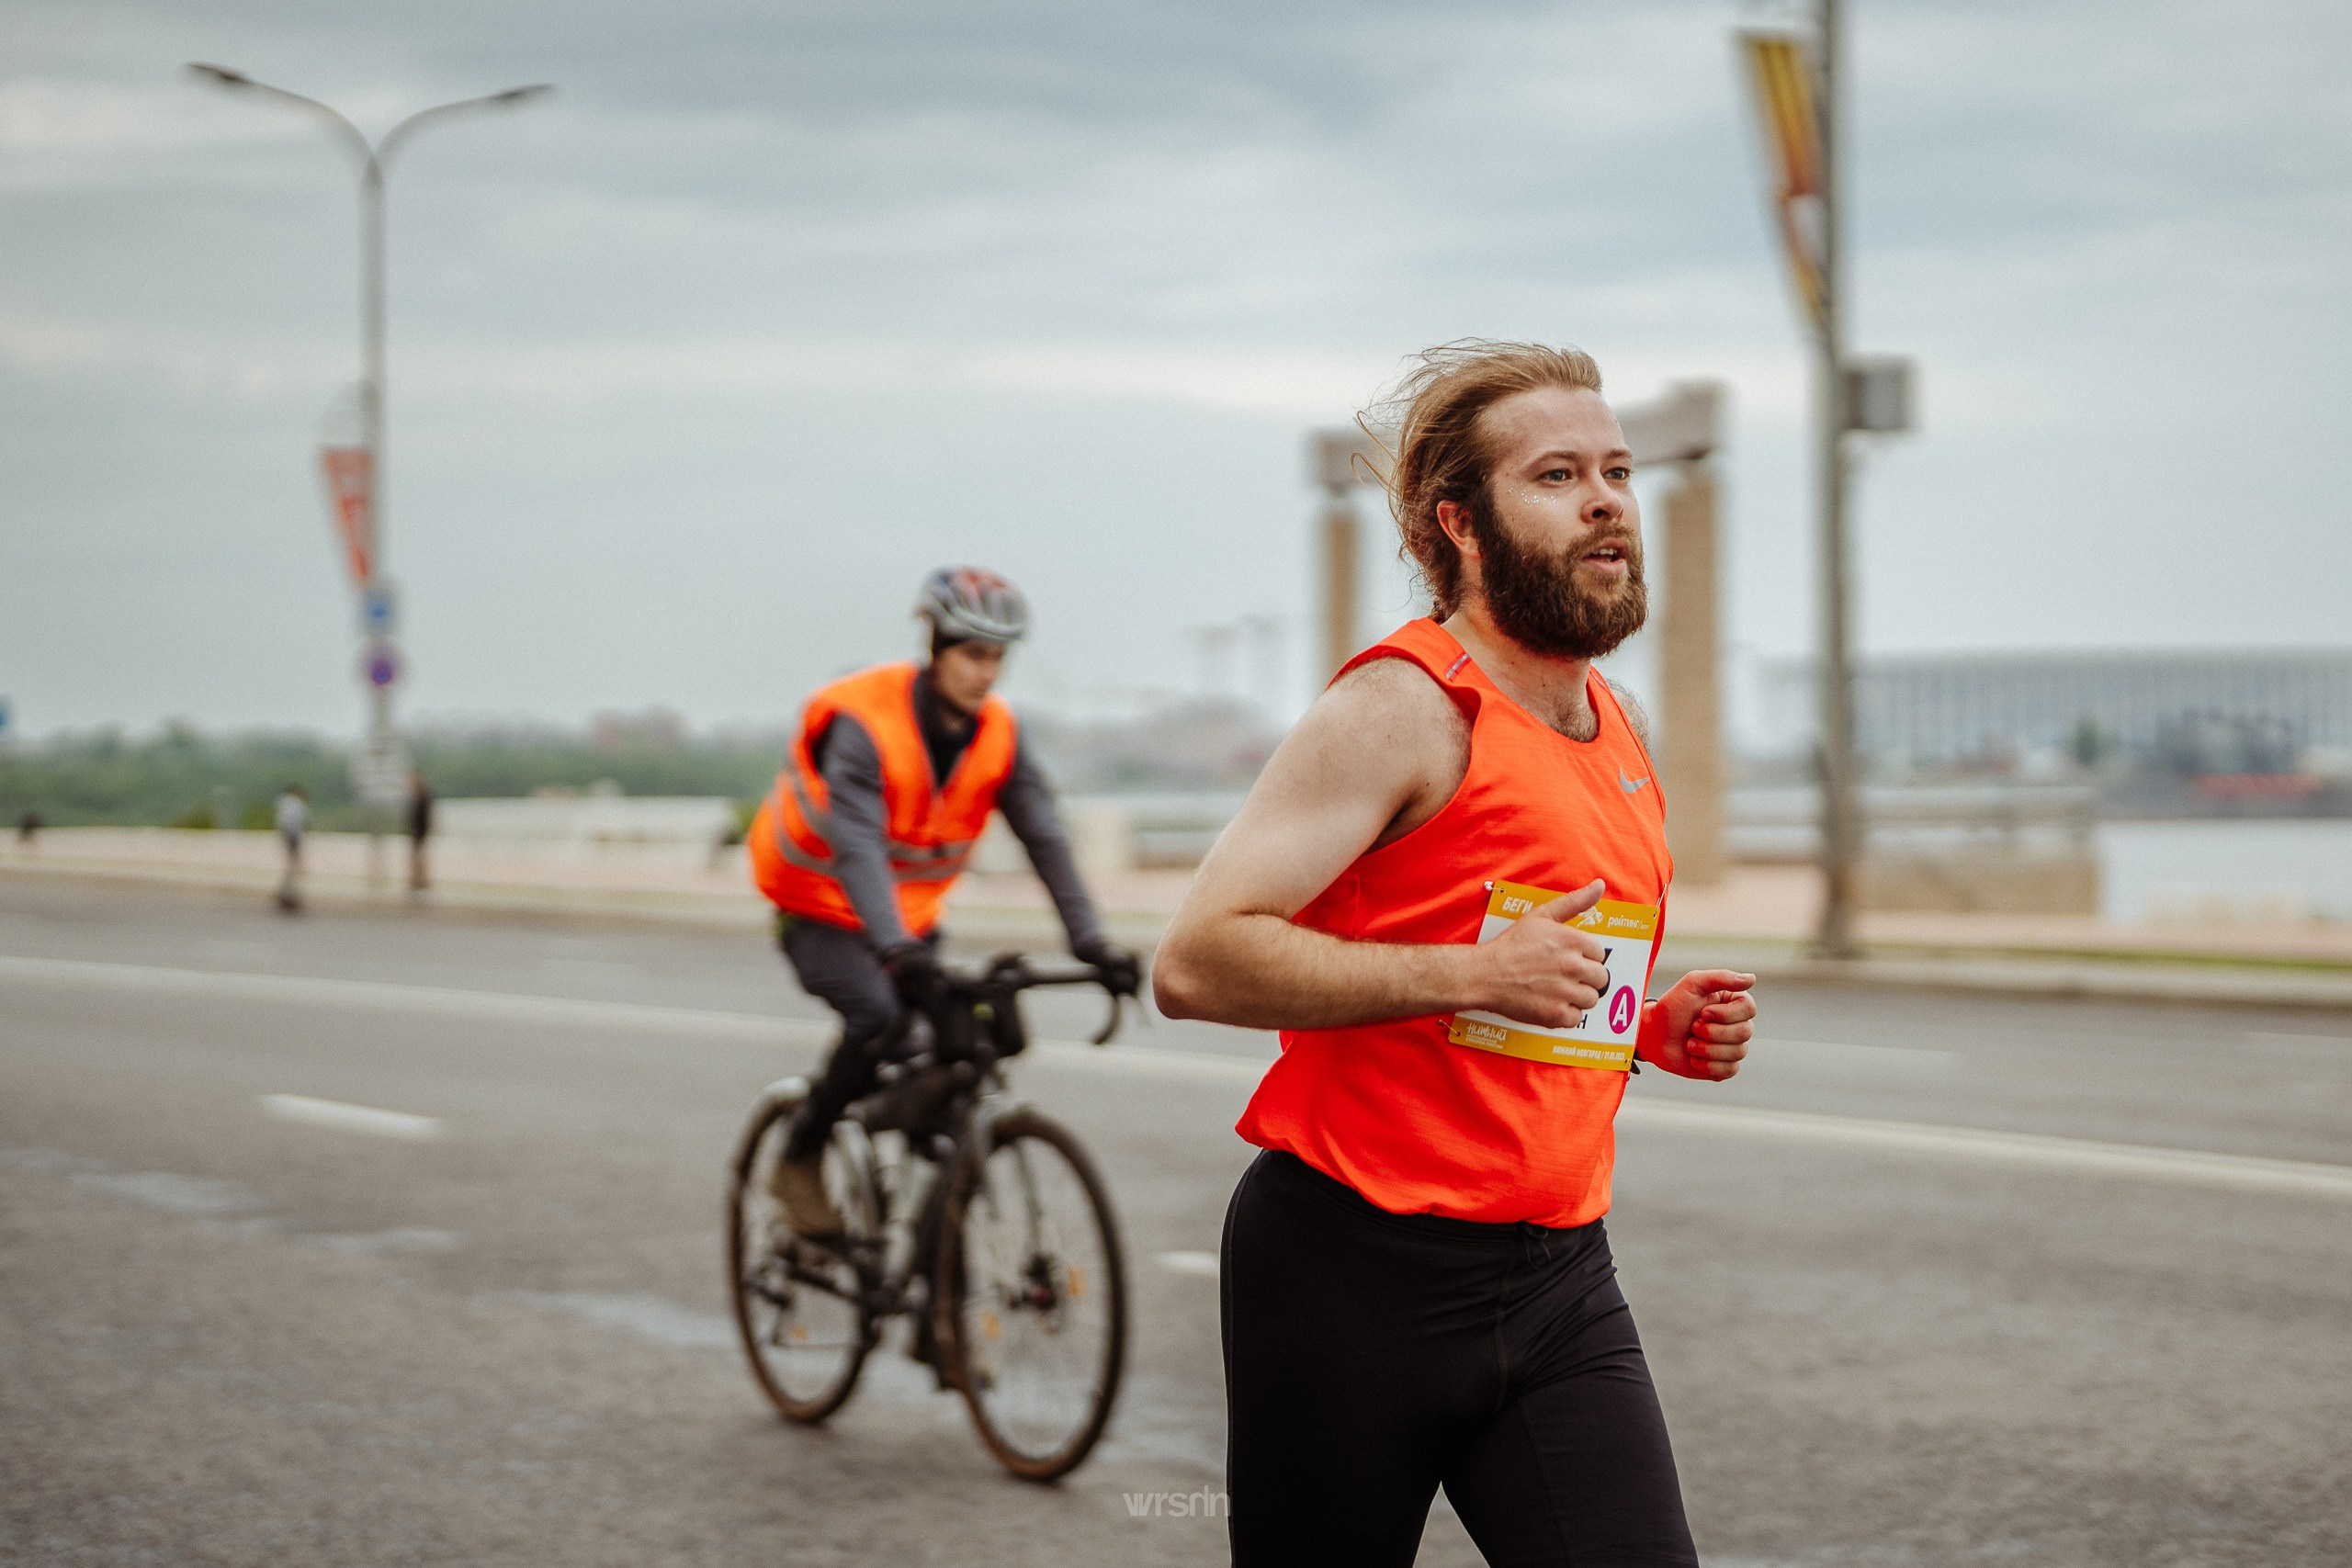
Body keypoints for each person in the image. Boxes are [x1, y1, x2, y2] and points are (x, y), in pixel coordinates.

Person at [1154, 342, 1759, 1568]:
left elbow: (1532, 958)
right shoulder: (1403, 707)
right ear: (1462, 524)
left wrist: (1641, 1021)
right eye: (1556, 475)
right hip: (1349, 1274)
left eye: (1618, 470)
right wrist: (1469, 973)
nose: (1605, 501)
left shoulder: (1616, 721)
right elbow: (1198, 959)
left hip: (1556, 1274)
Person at [745, 567, 1138, 1239]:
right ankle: (802, 1154)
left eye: (997, 657)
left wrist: (1090, 941)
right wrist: (895, 950)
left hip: (907, 920)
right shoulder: (864, 723)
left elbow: (1045, 836)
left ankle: (930, 1250)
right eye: (972, 654)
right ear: (935, 647)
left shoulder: (999, 737)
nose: (986, 673)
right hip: (815, 905)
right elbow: (858, 844)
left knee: (954, 1044)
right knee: (878, 1012)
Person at [272, 784, 309, 912]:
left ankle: (286, 894)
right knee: (293, 867)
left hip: (288, 836)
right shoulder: (294, 804)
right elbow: (292, 823)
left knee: (291, 867)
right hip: (292, 837)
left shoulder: (284, 803)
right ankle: (289, 895)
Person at [405, 771, 435, 892]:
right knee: (416, 856)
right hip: (416, 830)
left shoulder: (423, 796)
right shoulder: (415, 796)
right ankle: (417, 880)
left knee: (419, 856)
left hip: (420, 830)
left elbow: (427, 814)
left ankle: (421, 880)